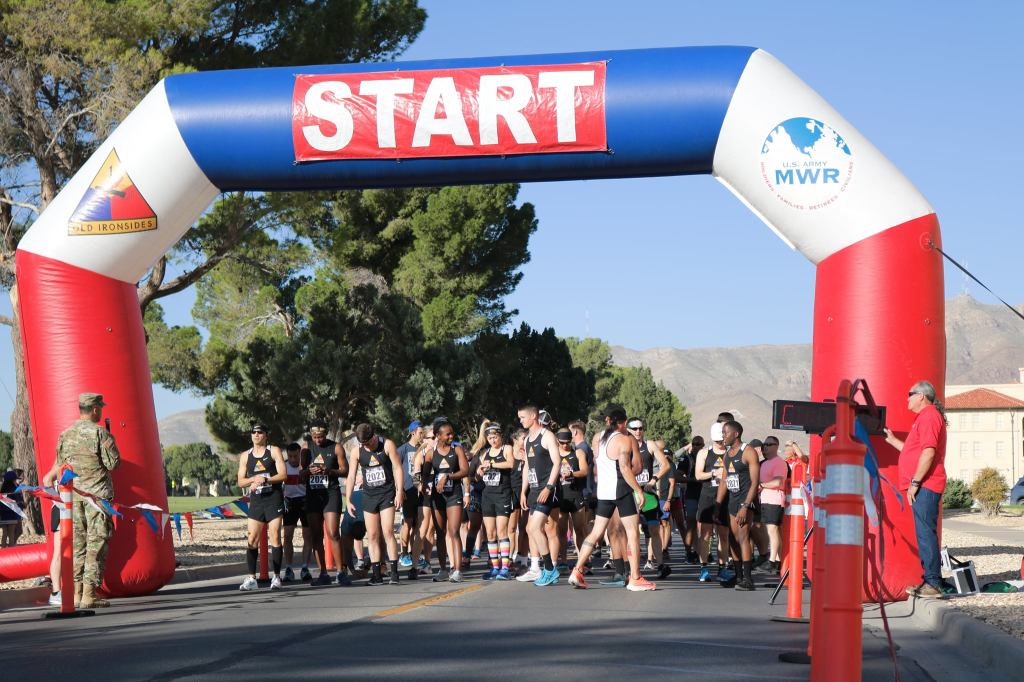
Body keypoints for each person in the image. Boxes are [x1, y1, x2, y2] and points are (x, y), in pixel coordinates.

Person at [41, 393, 120, 608]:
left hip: (72, 498)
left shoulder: (65, 435)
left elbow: (60, 464)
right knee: (96, 545)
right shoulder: (100, 433)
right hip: (97, 499)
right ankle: (89, 595)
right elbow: (113, 464)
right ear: (95, 409)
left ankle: (75, 594)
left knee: (77, 546)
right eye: (100, 407)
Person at [569, 405, 655, 592]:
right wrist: (638, 490)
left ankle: (577, 570)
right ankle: (635, 577)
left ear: (608, 421)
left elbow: (598, 464)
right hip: (621, 490)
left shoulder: (598, 438)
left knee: (596, 533)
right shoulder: (623, 439)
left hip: (604, 491)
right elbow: (625, 468)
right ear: (624, 422)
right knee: (632, 532)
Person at [884, 380, 948, 599]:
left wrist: (915, 483)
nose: (907, 398)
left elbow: (929, 452)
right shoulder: (924, 418)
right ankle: (930, 581)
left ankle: (933, 583)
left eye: (910, 394)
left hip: (926, 485)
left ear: (921, 396)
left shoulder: (929, 417)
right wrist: (893, 440)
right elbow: (914, 452)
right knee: (924, 533)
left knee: (925, 533)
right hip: (923, 485)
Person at [346, 423, 404, 585]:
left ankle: (394, 573)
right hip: (369, 496)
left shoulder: (387, 445)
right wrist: (348, 499)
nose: (367, 446)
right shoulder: (357, 451)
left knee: (388, 532)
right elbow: (351, 476)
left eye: (368, 442)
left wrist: (399, 491)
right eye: (363, 444)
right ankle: (377, 575)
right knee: (372, 535)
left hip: (386, 493)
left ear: (373, 437)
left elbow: (397, 468)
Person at [236, 423, 287, 591]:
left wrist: (266, 479)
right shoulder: (245, 455)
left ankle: (277, 577)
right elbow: (240, 481)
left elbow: (283, 475)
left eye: (260, 432)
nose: (256, 434)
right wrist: (253, 479)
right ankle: (252, 578)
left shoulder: (274, 451)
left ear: (266, 435)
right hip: (257, 501)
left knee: (275, 537)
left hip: (273, 499)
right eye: (253, 432)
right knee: (252, 539)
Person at [518, 404, 563, 586]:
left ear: (534, 416)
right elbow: (527, 467)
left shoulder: (547, 436)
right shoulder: (527, 439)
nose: (520, 421)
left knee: (537, 528)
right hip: (534, 490)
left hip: (547, 489)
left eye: (522, 417)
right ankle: (544, 569)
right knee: (530, 529)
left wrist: (549, 487)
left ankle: (550, 569)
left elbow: (557, 463)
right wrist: (523, 491)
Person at [422, 420, 470, 582]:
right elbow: (425, 474)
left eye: (452, 433)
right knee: (440, 533)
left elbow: (465, 470)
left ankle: (457, 570)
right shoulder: (431, 453)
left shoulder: (457, 450)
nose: (451, 436)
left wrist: (448, 476)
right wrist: (424, 486)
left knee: (454, 531)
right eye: (447, 434)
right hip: (438, 497)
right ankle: (443, 569)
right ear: (438, 435)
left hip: (454, 495)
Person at [716, 420, 761, 591]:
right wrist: (717, 505)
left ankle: (748, 580)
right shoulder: (727, 454)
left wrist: (745, 506)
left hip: (745, 501)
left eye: (725, 433)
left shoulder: (748, 452)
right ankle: (739, 576)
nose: (723, 436)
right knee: (733, 540)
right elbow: (724, 481)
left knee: (743, 537)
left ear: (736, 434)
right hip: (732, 501)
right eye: (722, 433)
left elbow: (755, 482)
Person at [303, 423, 350, 586]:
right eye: (315, 437)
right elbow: (301, 474)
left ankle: (341, 572)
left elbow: (345, 470)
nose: (318, 440)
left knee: (333, 533)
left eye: (321, 437)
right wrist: (308, 471)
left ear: (326, 434)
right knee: (316, 535)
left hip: (331, 493)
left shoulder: (336, 447)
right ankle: (323, 573)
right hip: (313, 495)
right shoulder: (306, 448)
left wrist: (329, 471)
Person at [472, 421, 515, 580]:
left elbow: (510, 463)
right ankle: (495, 567)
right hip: (487, 495)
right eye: (490, 438)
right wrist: (479, 471)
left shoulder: (507, 448)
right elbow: (477, 477)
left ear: (500, 436)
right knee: (490, 533)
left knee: (502, 531)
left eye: (495, 437)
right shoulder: (485, 453)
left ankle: (505, 568)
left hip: (502, 494)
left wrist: (492, 464)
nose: (492, 440)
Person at [694, 423, 731, 582]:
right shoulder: (704, 453)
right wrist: (714, 473)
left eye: (721, 441)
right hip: (708, 497)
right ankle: (704, 568)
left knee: (724, 534)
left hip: (726, 498)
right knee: (705, 535)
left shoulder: (731, 453)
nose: (720, 443)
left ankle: (723, 568)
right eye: (717, 441)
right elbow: (698, 475)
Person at [554, 427, 590, 572]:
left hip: (576, 496)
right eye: (562, 442)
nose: (565, 445)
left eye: (567, 442)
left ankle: (583, 562)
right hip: (560, 497)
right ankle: (563, 561)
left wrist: (571, 474)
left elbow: (585, 470)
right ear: (557, 441)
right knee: (561, 531)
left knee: (579, 530)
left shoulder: (578, 452)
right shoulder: (554, 453)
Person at [755, 436, 786, 575]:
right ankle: (777, 561)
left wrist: (761, 485)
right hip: (766, 500)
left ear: (776, 446)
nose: (765, 447)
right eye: (764, 444)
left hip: (774, 500)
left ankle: (772, 561)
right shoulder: (765, 463)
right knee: (773, 531)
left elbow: (778, 482)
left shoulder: (779, 462)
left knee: (772, 530)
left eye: (769, 444)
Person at [281, 442, 310, 582]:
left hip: (305, 502)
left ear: (300, 454)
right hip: (290, 503)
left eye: (296, 456)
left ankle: (305, 568)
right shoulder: (283, 466)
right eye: (290, 456)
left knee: (307, 536)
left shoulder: (306, 466)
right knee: (287, 536)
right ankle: (288, 568)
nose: (293, 459)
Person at [397, 421, 424, 570]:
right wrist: (399, 490)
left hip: (421, 491)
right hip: (408, 491)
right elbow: (396, 470)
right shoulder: (403, 449)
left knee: (418, 524)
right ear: (413, 432)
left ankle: (415, 554)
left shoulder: (423, 448)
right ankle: (404, 554)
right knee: (407, 522)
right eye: (420, 432)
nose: (422, 435)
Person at [675, 436, 704, 564]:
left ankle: (702, 553)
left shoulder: (707, 457)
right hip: (691, 495)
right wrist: (693, 480)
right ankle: (688, 553)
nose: (696, 446)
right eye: (694, 444)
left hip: (706, 495)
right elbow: (677, 476)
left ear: (703, 445)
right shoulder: (687, 459)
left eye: (698, 444)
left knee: (705, 526)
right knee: (691, 524)